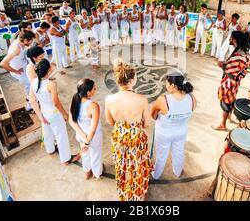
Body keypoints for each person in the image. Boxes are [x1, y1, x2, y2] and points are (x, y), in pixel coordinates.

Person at [105, 58, 152, 201]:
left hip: (119, 137)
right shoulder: (142, 99)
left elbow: (109, 121)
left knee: (123, 167)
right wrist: (135, 125)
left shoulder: (109, 99)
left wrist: (122, 126)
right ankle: (137, 195)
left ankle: (124, 194)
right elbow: (147, 123)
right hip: (136, 138)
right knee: (137, 168)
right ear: (131, 80)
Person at [29, 59, 80, 164]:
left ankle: (50, 149)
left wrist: (40, 116)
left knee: (48, 132)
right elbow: (56, 103)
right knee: (61, 135)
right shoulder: (50, 84)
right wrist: (65, 114)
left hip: (43, 112)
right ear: (49, 70)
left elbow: (32, 100)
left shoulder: (33, 82)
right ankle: (66, 159)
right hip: (54, 114)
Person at [150, 74, 196, 180]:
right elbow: (191, 111)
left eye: (167, 83)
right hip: (181, 131)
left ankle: (156, 175)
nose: (166, 85)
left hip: (164, 133)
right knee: (179, 151)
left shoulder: (163, 99)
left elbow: (153, 115)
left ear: (173, 86)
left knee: (161, 155)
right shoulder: (192, 98)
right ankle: (177, 172)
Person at [213, 31, 250, 131]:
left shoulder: (237, 55)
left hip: (229, 83)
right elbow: (241, 71)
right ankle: (229, 116)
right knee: (231, 100)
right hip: (235, 83)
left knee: (225, 102)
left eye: (230, 38)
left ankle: (222, 124)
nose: (229, 39)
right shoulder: (245, 53)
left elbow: (230, 72)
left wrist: (222, 65)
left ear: (234, 40)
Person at [69, 78, 104, 179]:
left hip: (80, 135)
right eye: (94, 89)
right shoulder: (93, 106)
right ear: (88, 92)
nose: (96, 90)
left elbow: (72, 121)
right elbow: (93, 128)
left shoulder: (74, 101)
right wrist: (87, 141)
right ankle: (97, 174)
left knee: (85, 154)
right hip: (92, 137)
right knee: (96, 155)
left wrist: (82, 135)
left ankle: (87, 172)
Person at [0, 30, 35, 111]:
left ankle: (28, 97)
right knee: (31, 85)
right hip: (19, 72)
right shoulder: (16, 49)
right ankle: (30, 105)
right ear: (26, 40)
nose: (32, 43)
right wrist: (16, 71)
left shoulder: (20, 42)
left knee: (29, 85)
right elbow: (3, 63)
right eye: (31, 41)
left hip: (23, 68)